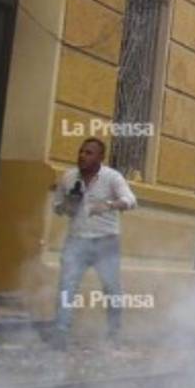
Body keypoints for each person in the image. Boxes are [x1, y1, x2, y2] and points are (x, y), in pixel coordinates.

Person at [50, 137, 137, 349]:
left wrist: (107, 205)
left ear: (100, 157)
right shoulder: (69, 177)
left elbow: (131, 201)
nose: (82, 156)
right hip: (76, 241)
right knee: (66, 287)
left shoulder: (112, 177)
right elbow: (57, 207)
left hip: (106, 242)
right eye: (81, 151)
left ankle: (114, 333)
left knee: (111, 289)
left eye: (89, 153)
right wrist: (68, 203)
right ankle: (61, 333)